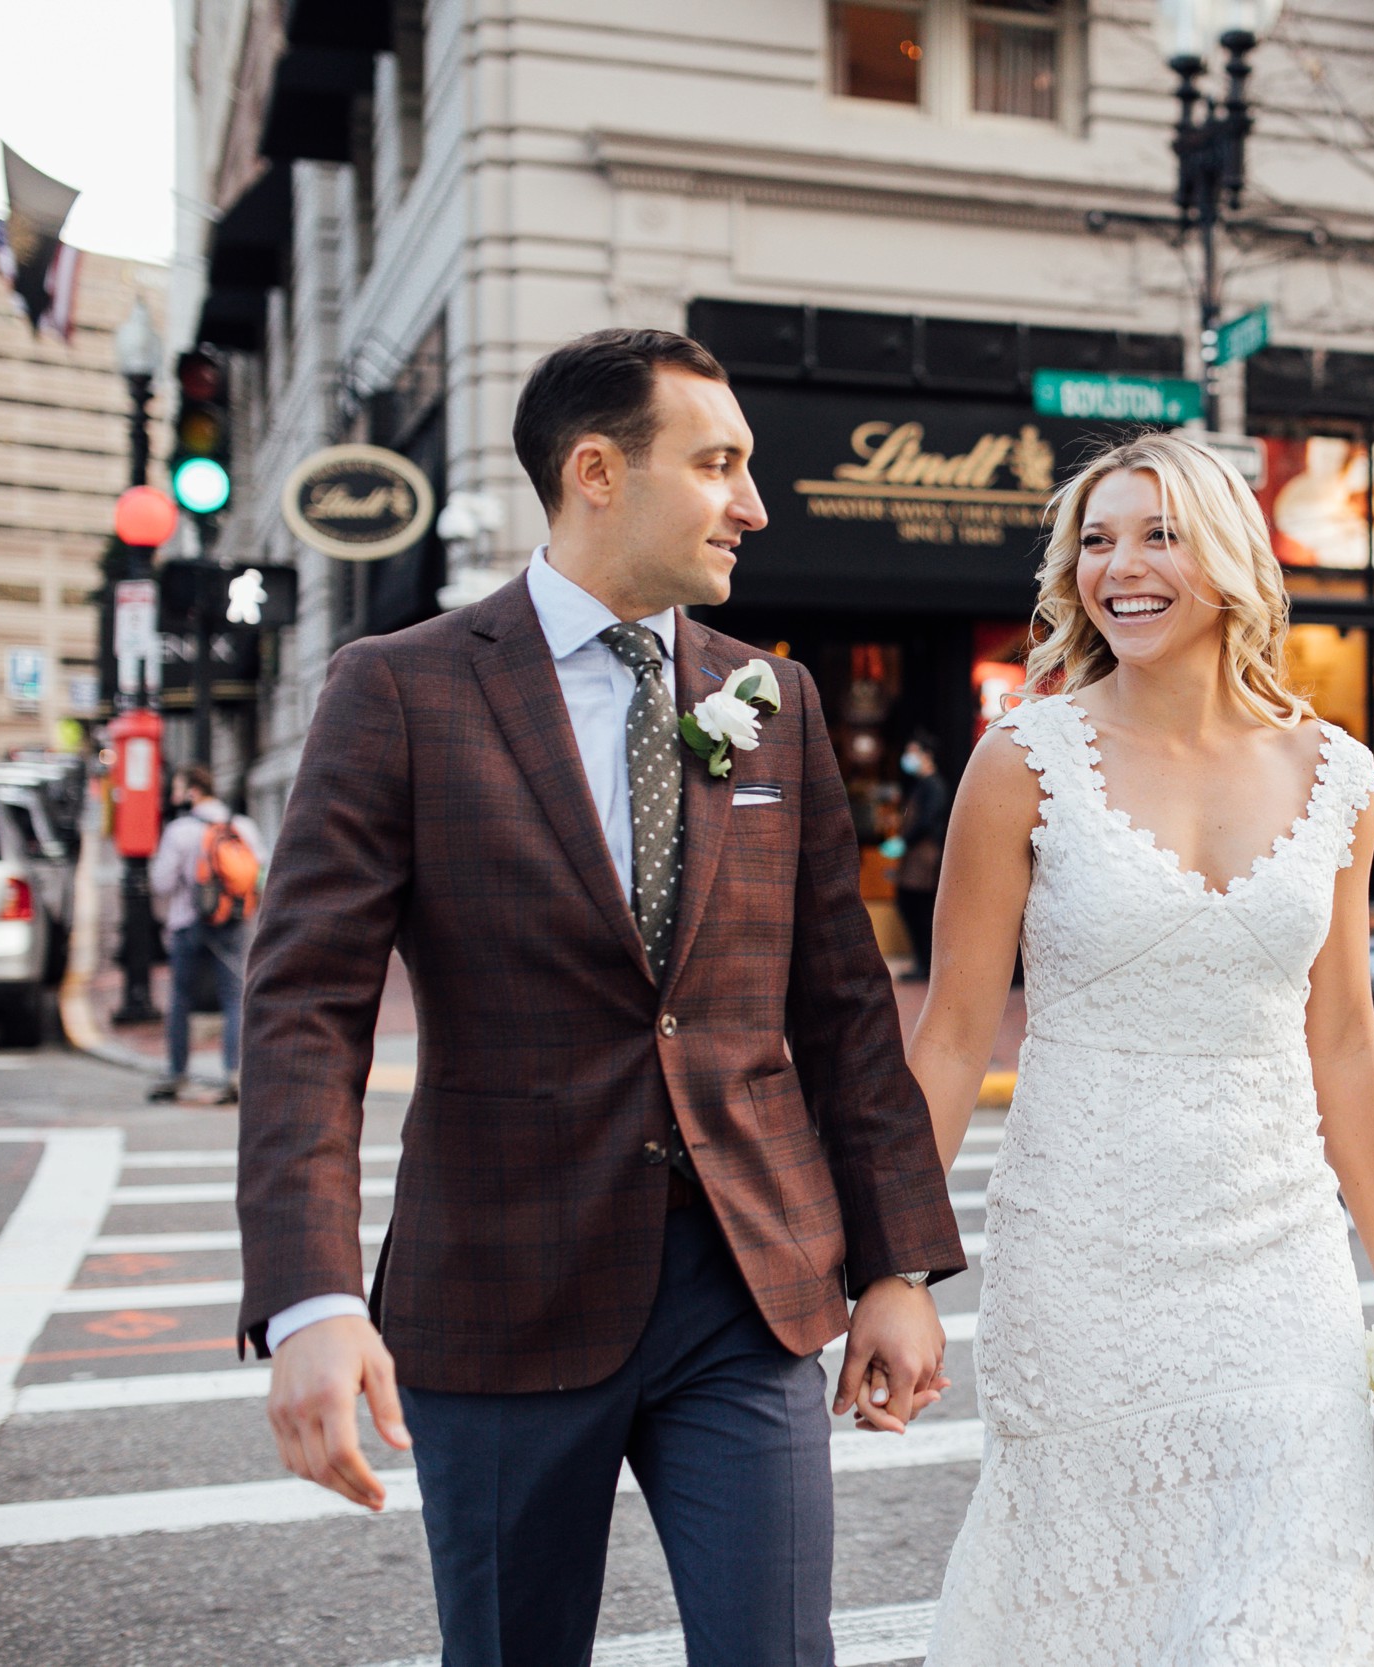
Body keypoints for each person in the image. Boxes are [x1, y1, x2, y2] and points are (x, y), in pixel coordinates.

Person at [236, 329, 964, 1667]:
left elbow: (846, 1012)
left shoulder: (775, 699)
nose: (754, 502)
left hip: (745, 1288)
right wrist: (311, 1295)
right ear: (597, 472)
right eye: (719, 464)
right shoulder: (400, 689)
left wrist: (897, 1263)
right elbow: (304, 1011)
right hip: (501, 1291)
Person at [906, 431, 1374, 1663]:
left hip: (1279, 1262)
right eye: (1095, 539)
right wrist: (894, 1269)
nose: (1119, 567)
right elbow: (948, 1037)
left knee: (1280, 1603)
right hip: (1079, 1256)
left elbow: (1344, 1039)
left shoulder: (1336, 771)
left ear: (1230, 559)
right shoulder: (1019, 763)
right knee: (1088, 1604)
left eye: (1158, 534)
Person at [146, 763, 264, 1105]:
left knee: (181, 999)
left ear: (192, 791)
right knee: (233, 998)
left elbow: (162, 882)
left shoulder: (180, 830)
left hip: (189, 923)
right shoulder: (242, 825)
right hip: (235, 922)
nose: (173, 795)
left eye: (177, 788)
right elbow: (260, 869)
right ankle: (234, 1074)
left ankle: (177, 1073)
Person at [889, 731, 950, 979]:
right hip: (914, 857)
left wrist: (904, 841)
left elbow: (927, 821)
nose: (908, 757)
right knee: (908, 905)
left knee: (920, 910)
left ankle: (926, 966)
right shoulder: (921, 785)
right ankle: (922, 963)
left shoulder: (935, 786)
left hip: (925, 859)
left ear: (927, 755)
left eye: (913, 752)